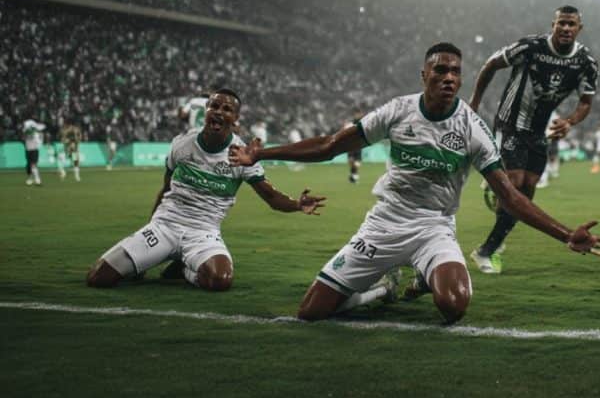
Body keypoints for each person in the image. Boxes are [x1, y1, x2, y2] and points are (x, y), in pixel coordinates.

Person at [228, 43, 600, 324]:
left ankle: (425, 273)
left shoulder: (472, 129)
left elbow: (509, 196)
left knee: (454, 306)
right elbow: (331, 145)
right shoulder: (398, 111)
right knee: (311, 312)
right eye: (440, 70)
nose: (448, 77)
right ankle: (382, 288)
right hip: (384, 223)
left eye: (455, 72)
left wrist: (564, 234)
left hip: (434, 227)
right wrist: (261, 154)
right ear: (424, 75)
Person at [86, 90, 325, 291]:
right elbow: (166, 188)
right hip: (165, 225)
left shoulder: (242, 155)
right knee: (99, 278)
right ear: (206, 111)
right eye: (214, 106)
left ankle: (184, 269)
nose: (219, 111)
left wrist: (296, 204)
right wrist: (152, 227)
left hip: (203, 232)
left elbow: (271, 197)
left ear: (236, 119)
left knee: (220, 281)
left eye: (227, 109)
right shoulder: (181, 144)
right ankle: (156, 259)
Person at [467, 6, 599, 275]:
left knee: (527, 190)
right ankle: (486, 250)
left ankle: (492, 229)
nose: (565, 28)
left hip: (539, 132)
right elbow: (491, 65)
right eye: (561, 23)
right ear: (553, 24)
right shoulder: (529, 47)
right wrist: (475, 103)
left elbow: (586, 102)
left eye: (571, 24)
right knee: (514, 186)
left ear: (579, 29)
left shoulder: (586, 62)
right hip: (510, 123)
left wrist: (570, 121)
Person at [22, 118, 45, 186]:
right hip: (28, 149)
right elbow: (24, 137)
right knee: (29, 165)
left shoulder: (36, 132)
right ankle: (30, 178)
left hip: (34, 149)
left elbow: (42, 128)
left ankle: (37, 180)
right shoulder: (26, 131)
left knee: (34, 164)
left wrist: (35, 130)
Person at [348, 110, 365, 184]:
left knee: (356, 164)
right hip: (351, 146)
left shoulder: (363, 125)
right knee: (351, 162)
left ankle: (353, 176)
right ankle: (353, 176)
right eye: (357, 114)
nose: (358, 115)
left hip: (358, 147)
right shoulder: (350, 125)